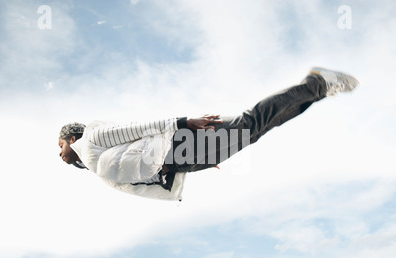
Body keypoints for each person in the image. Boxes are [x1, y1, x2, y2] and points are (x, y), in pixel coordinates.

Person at [58, 67, 359, 201]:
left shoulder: (93, 139)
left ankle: (316, 84)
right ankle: (317, 91)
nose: (60, 154)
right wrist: (193, 161)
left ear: (73, 138)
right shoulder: (98, 167)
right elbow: (143, 175)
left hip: (180, 145)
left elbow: (136, 129)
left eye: (60, 146)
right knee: (254, 131)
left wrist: (183, 123)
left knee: (251, 123)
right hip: (184, 159)